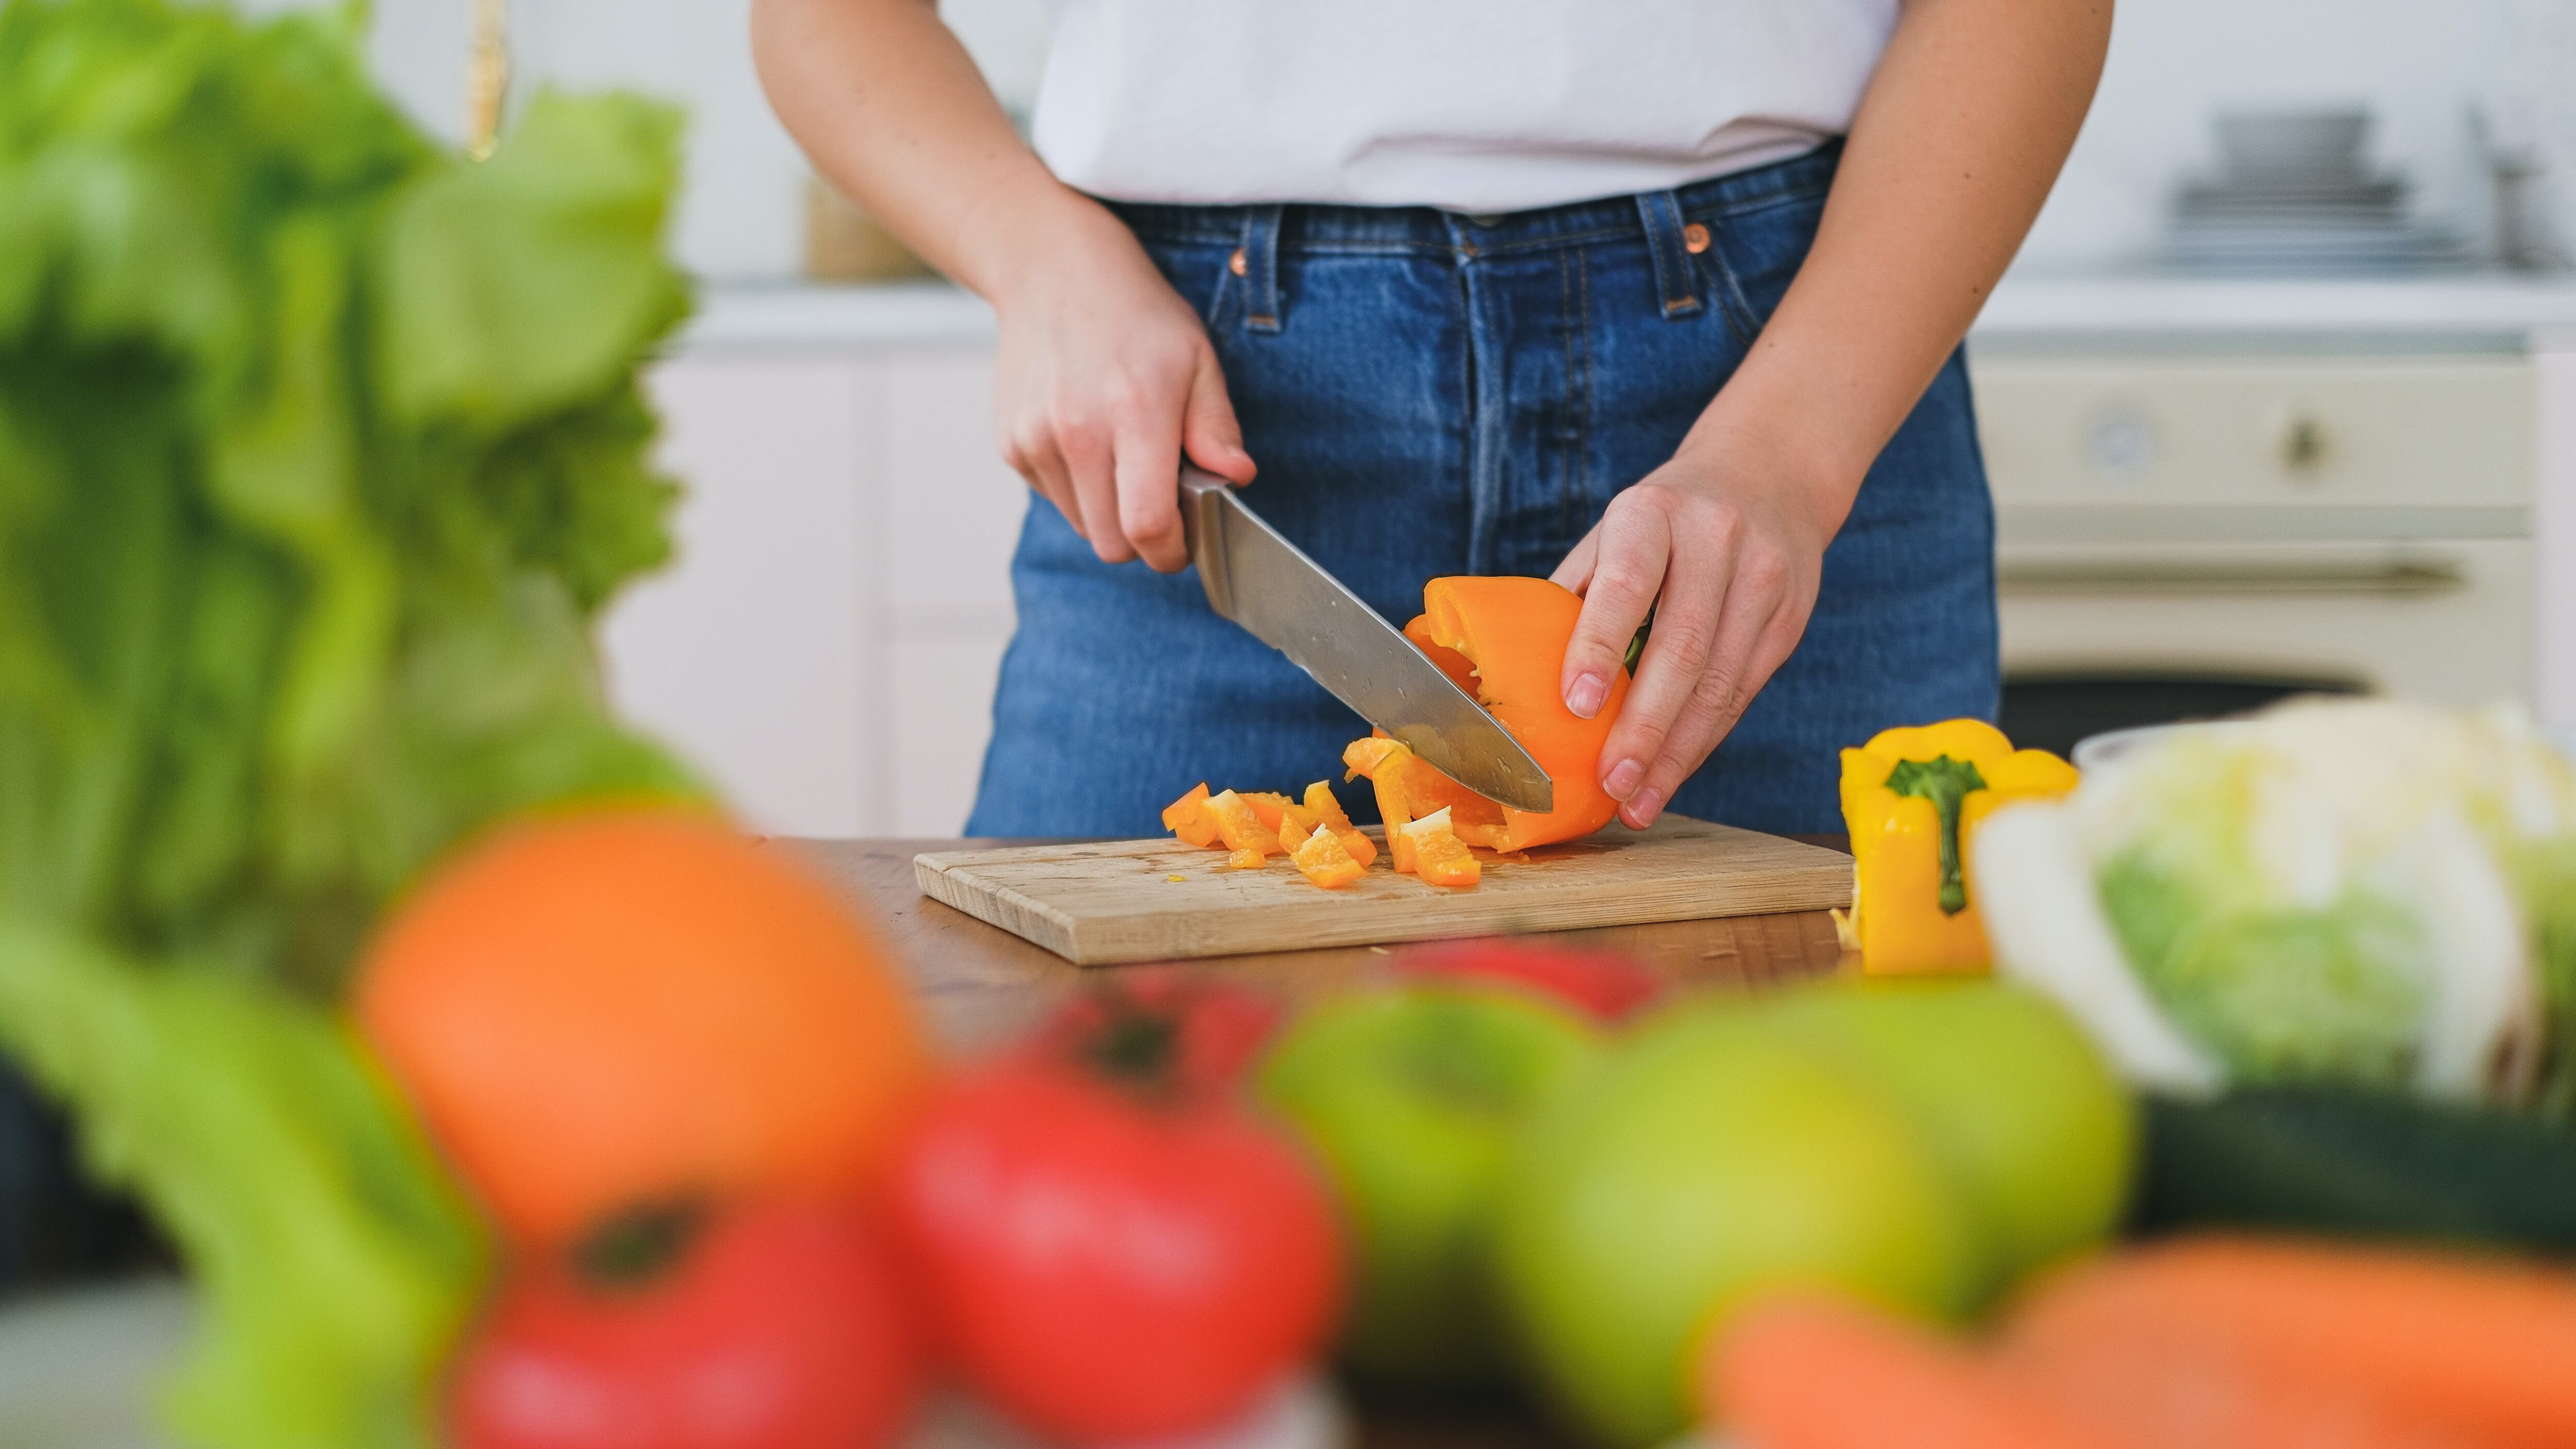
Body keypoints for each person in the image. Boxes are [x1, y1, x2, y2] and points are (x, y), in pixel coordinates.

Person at [753, 1, 2112, 837]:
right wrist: (1035, 258)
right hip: (1215, 431)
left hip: (1790, 381)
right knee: (1078, 1130)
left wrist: (1791, 453)